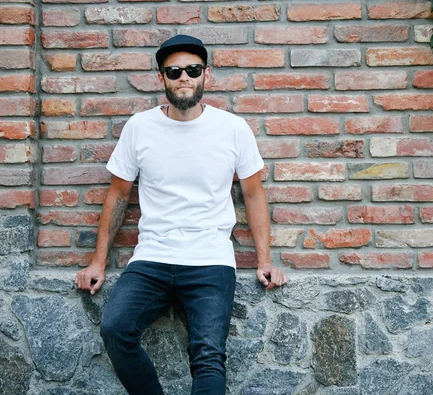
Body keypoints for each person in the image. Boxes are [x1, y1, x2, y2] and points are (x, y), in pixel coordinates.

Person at [74, 34, 287, 395]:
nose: (183, 77)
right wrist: (97, 263)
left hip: (211, 261)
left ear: (206, 75)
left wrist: (265, 259)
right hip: (152, 258)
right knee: (115, 328)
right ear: (162, 79)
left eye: (192, 69)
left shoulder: (232, 128)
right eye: (174, 71)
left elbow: (252, 193)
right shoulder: (140, 127)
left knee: (208, 357)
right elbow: (118, 195)